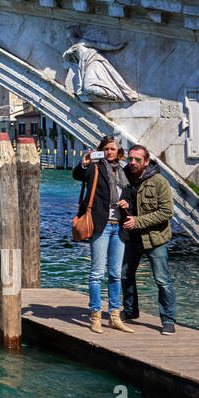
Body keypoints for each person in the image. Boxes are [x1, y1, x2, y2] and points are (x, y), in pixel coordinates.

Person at [72, 135, 134, 334]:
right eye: (106, 148)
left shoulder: (123, 173)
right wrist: (83, 163)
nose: (109, 152)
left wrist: (127, 204)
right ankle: (95, 316)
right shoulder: (94, 168)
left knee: (116, 274)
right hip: (101, 225)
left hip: (119, 227)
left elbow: (129, 195)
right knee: (97, 273)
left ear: (118, 152)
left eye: (113, 149)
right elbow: (77, 175)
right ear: (101, 150)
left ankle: (114, 316)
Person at [121, 144, 177, 335]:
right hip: (131, 237)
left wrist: (138, 221)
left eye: (137, 159)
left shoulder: (159, 182)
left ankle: (168, 320)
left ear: (146, 162)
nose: (133, 162)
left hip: (155, 238)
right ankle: (130, 311)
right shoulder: (123, 177)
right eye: (130, 159)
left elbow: (166, 212)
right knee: (125, 275)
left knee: (162, 280)